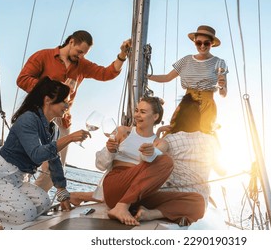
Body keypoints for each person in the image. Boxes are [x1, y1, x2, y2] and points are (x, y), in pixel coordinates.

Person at [16, 30, 131, 192]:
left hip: (62, 120)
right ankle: (10, 202)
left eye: (84, 54)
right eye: (79, 52)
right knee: (24, 161)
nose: (81, 56)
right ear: (71, 42)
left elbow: (106, 73)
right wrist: (52, 90)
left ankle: (31, 202)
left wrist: (122, 55)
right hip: (36, 114)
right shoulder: (43, 56)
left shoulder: (82, 65)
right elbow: (22, 79)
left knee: (55, 167)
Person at [0, 77, 91, 229]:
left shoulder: (52, 128)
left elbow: (53, 160)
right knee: (24, 211)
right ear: (48, 100)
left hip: (16, 179)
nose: (67, 105)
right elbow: (36, 154)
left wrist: (62, 193)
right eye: (64, 101)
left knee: (43, 203)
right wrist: (69, 138)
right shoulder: (28, 119)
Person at [70, 96, 205, 226]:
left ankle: (149, 214)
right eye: (136, 111)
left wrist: (150, 154)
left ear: (155, 117)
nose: (137, 115)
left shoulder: (160, 143)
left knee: (198, 202)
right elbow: (100, 165)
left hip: (139, 195)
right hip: (116, 185)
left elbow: (152, 163)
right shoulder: (123, 131)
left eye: (143, 112)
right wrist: (109, 150)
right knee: (166, 161)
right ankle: (121, 207)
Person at [148, 25, 228, 135]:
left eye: (207, 43)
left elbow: (223, 93)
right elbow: (167, 77)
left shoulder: (219, 62)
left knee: (203, 138)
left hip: (207, 105)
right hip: (187, 102)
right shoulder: (186, 60)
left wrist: (222, 86)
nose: (202, 46)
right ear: (194, 42)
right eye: (199, 43)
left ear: (212, 43)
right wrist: (146, 76)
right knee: (175, 133)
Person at [157, 93, 226, 208]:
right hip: (199, 200)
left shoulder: (170, 139)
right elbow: (221, 171)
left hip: (172, 197)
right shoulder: (210, 140)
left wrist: (159, 132)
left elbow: (154, 161)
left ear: (178, 116)